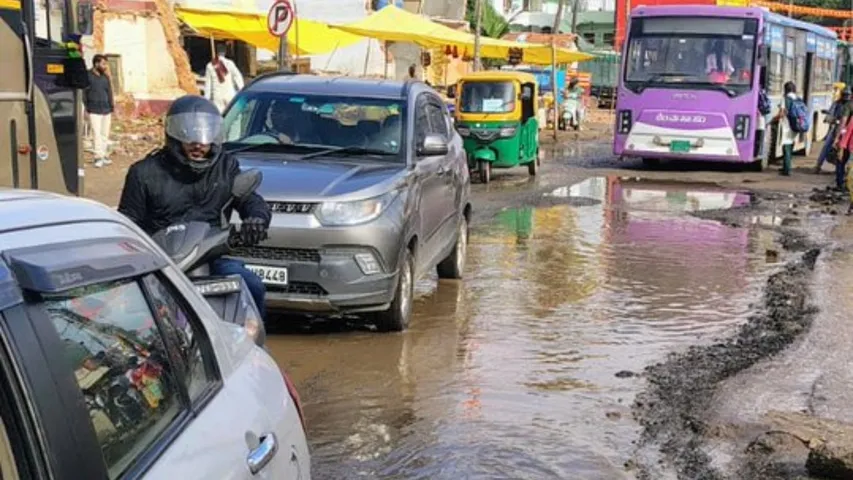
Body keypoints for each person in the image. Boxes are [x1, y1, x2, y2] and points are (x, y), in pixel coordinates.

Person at [117, 95, 271, 316]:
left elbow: (251, 201)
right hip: (161, 263)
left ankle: (251, 346)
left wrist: (256, 219)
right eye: (188, 134)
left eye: (204, 134)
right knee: (133, 309)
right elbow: (128, 222)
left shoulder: (225, 166)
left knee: (252, 286)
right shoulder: (144, 173)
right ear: (173, 134)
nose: (198, 143)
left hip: (211, 256)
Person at [84, 54, 115, 168]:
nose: (105, 66)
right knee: (96, 134)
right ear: (96, 64)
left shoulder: (105, 77)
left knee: (104, 134)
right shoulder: (87, 76)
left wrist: (111, 106)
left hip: (106, 109)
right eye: (103, 64)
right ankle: (98, 157)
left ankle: (105, 155)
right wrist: (87, 108)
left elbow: (109, 92)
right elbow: (84, 93)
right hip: (94, 110)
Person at [816, 87, 850, 173]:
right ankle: (818, 165)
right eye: (845, 95)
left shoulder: (850, 105)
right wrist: (833, 119)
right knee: (827, 146)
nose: (846, 97)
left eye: (848, 95)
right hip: (837, 128)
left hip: (847, 130)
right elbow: (830, 115)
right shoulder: (837, 104)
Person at [204, 44, 245, 113]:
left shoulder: (210, 65)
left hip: (217, 96)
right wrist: (242, 91)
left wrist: (206, 100)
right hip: (230, 94)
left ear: (216, 52)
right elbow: (238, 77)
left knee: (220, 118)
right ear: (225, 52)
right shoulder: (230, 63)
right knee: (231, 117)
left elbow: (208, 86)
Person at [773, 81, 799, 176]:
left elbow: (782, 113)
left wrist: (773, 119)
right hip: (796, 126)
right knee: (791, 146)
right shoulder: (797, 98)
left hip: (787, 126)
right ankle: (787, 166)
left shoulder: (785, 99)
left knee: (786, 147)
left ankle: (786, 170)